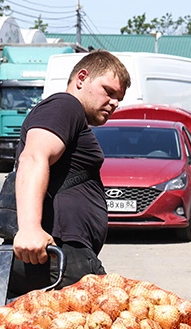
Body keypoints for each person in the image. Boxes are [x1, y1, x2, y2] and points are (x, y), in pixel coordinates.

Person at [8, 50, 130, 301]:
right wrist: (30, 229)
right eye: (108, 91)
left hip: (63, 257)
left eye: (119, 98)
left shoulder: (72, 116)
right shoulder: (64, 105)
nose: (115, 103)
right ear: (82, 78)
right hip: (57, 256)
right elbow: (33, 157)